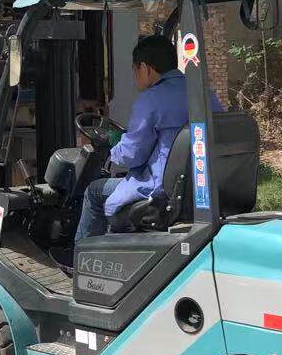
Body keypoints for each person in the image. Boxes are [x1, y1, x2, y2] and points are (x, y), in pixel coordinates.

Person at [74, 34, 218, 242]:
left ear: (145, 68)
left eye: (135, 70)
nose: (135, 77)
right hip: (199, 188)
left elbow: (131, 156)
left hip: (160, 191)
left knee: (93, 191)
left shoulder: (150, 100)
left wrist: (113, 148)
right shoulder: (205, 94)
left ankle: (81, 255)